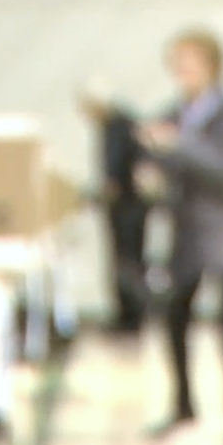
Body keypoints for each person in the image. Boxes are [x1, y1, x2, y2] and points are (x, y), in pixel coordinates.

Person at [137, 29, 223, 445]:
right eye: (177, 63)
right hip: (188, 237)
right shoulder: (170, 114)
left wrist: (178, 144)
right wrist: (152, 174)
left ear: (211, 66)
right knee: (175, 318)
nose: (182, 71)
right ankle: (183, 405)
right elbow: (162, 166)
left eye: (189, 62)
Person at [80, 83, 149, 334]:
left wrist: (108, 189)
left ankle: (132, 319)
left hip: (129, 207)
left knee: (129, 262)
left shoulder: (122, 126)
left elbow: (118, 169)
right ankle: (125, 316)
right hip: (121, 206)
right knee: (122, 262)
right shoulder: (111, 126)